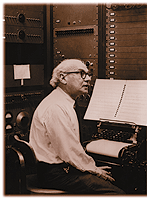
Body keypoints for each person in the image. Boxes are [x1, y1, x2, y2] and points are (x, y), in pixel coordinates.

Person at [29, 59, 125, 194]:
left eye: (88, 74)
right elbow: (69, 151)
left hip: (62, 169)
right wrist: (94, 169)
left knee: (116, 180)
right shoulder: (56, 107)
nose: (88, 79)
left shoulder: (63, 102)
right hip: (56, 174)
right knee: (117, 194)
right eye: (81, 74)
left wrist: (91, 167)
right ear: (63, 78)